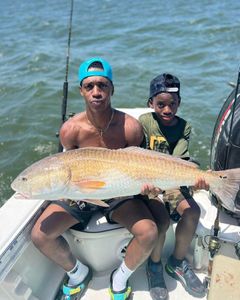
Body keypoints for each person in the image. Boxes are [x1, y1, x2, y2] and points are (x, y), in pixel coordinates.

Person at [31, 57, 170, 300]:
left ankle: (120, 278)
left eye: (102, 86)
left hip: (120, 192)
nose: (96, 92)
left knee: (149, 232)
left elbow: (137, 167)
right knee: (39, 235)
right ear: (81, 91)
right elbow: (68, 168)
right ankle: (77, 272)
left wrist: (149, 188)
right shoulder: (70, 130)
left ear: (112, 89)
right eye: (90, 86)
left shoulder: (130, 127)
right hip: (81, 192)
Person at [139, 73, 209, 298]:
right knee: (161, 218)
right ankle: (155, 264)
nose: (167, 110)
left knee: (192, 211)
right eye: (161, 105)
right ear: (151, 103)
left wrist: (196, 178)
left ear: (179, 103)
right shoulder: (144, 122)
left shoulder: (184, 127)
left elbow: (178, 160)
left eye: (173, 104)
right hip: (148, 181)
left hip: (173, 180)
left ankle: (177, 262)